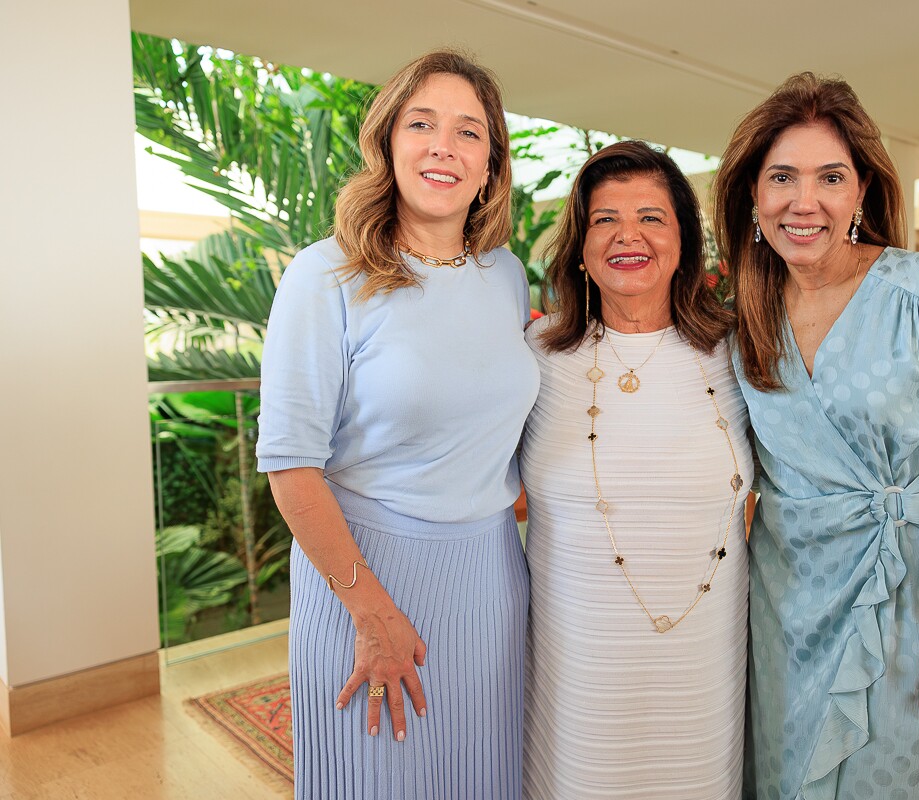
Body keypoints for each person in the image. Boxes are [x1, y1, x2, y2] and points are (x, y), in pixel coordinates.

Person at [712, 73, 919, 800]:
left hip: (910, 599)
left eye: (830, 177)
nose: (805, 201)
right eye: (782, 178)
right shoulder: (743, 319)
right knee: (786, 775)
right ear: (753, 197)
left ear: (862, 189)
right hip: (785, 606)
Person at [255, 50, 538, 799]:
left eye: (468, 131)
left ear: (489, 165)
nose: (444, 145)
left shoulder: (507, 276)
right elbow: (290, 466)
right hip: (365, 583)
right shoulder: (326, 276)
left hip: (490, 584)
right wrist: (371, 612)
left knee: (485, 778)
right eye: (423, 123)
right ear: (388, 143)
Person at [520, 140, 753, 799]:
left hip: (704, 656)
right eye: (605, 219)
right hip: (576, 656)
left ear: (684, 237)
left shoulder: (739, 352)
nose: (629, 236)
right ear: (581, 243)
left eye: (652, 217)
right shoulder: (538, 353)